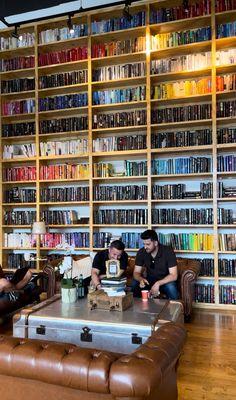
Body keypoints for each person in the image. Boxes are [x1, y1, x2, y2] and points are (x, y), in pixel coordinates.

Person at [133, 230, 178, 300]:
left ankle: (176, 308)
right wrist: (140, 279)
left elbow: (174, 275)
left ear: (156, 243)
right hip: (149, 280)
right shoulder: (141, 252)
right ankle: (136, 308)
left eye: (148, 244)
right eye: (144, 244)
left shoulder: (168, 251)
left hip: (164, 281)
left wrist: (158, 283)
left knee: (171, 287)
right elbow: (136, 272)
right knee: (135, 282)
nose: (145, 247)